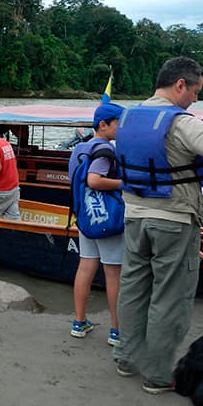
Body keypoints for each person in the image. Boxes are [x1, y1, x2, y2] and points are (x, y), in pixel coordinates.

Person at [112, 57, 203, 394]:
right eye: (196, 91)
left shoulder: (127, 116)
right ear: (180, 84)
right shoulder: (182, 122)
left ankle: (126, 359)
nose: (196, 100)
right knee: (170, 297)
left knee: (133, 288)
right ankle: (157, 375)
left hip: (135, 216)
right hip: (173, 219)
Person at [68, 102, 125, 347]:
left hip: (85, 218)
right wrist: (124, 183)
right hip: (107, 220)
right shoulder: (105, 151)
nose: (122, 129)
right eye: (118, 124)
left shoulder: (79, 148)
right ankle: (117, 330)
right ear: (104, 125)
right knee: (113, 274)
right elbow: (93, 180)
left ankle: (79, 323)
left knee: (85, 268)